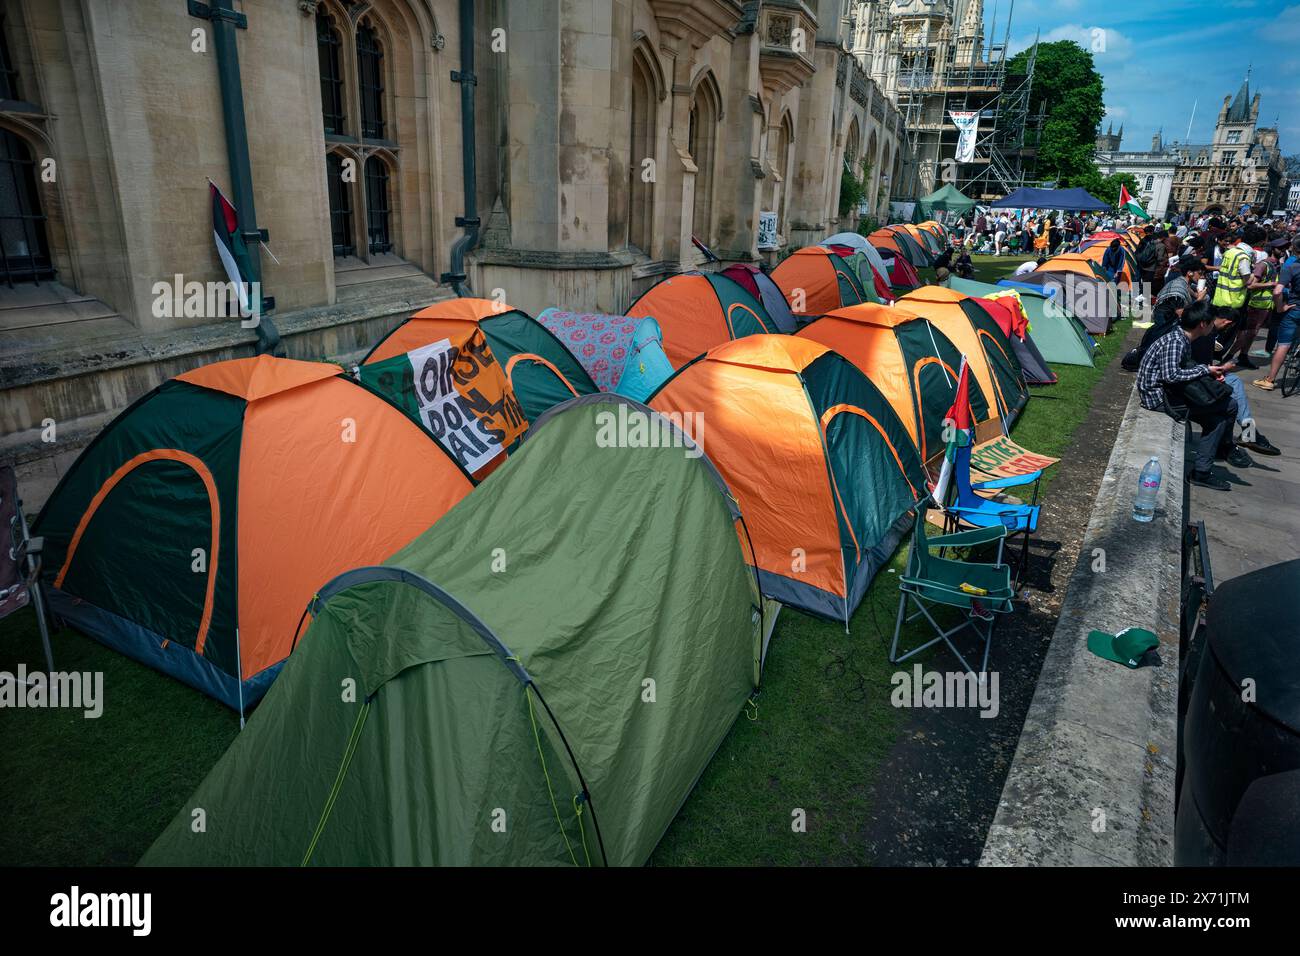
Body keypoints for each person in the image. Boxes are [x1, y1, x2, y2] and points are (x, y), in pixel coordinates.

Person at [1137, 301, 1247, 490]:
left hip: (1169, 392)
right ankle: (1221, 452)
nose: (1214, 326)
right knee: (1229, 406)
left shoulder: (1182, 338)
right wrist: (1205, 370)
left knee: (1217, 421)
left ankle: (1203, 471)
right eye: (1212, 322)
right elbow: (1171, 376)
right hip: (1159, 397)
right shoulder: (1176, 341)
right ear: (1203, 324)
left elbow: (1180, 370)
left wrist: (1209, 371)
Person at [1253, 236, 1300, 392]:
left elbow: (1278, 291)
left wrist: (1280, 308)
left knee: (1284, 344)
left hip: (1294, 309)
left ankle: (1270, 379)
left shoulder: (1292, 267)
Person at [1228, 236, 1280, 368]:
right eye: (1281, 248)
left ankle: (1242, 356)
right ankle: (1229, 356)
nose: (1284, 250)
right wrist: (1271, 284)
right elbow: (1250, 285)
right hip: (1255, 304)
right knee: (1248, 332)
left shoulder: (1276, 265)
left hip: (1265, 305)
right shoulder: (1263, 265)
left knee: (1253, 333)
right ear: (1273, 249)